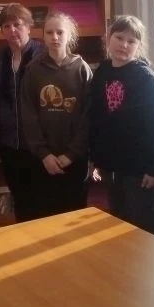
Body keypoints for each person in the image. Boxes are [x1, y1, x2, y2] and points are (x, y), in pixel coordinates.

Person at [89, 15, 154, 234]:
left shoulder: (145, 78)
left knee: (141, 229)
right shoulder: (103, 72)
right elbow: (97, 118)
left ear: (138, 46)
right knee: (119, 224)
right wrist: (97, 158)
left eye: (131, 41)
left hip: (140, 170)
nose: (124, 45)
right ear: (108, 38)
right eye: (119, 37)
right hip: (113, 166)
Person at [19, 12, 93, 218]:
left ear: (70, 36)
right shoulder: (33, 70)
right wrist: (44, 153)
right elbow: (28, 114)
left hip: (75, 159)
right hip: (43, 160)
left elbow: (88, 116)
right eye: (49, 32)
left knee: (74, 216)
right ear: (43, 36)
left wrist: (71, 154)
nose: (55, 37)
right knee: (46, 216)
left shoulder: (82, 69)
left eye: (60, 32)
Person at [0, 3, 43, 222]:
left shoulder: (43, 55)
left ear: (29, 27)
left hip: (38, 143)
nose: (12, 30)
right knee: (19, 196)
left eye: (17, 24)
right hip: (9, 143)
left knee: (40, 197)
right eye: (7, 26)